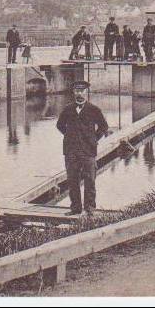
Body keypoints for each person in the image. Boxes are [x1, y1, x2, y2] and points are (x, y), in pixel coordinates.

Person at [55, 80, 110, 216]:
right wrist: (69, 136)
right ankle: (75, 208)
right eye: (77, 91)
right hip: (71, 151)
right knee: (72, 180)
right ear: (74, 92)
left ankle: (90, 209)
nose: (80, 94)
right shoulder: (67, 109)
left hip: (88, 151)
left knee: (90, 180)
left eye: (82, 91)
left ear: (86, 92)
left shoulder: (94, 110)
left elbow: (104, 127)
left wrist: (93, 139)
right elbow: (60, 125)